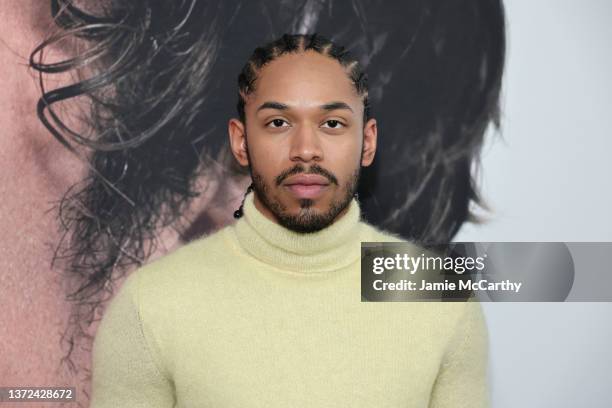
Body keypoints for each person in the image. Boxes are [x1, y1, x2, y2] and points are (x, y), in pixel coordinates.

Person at [90, 33, 489, 408]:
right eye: (278, 123)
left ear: (368, 141)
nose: (305, 151)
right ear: (240, 140)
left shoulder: (441, 298)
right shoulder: (150, 300)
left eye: (332, 123)